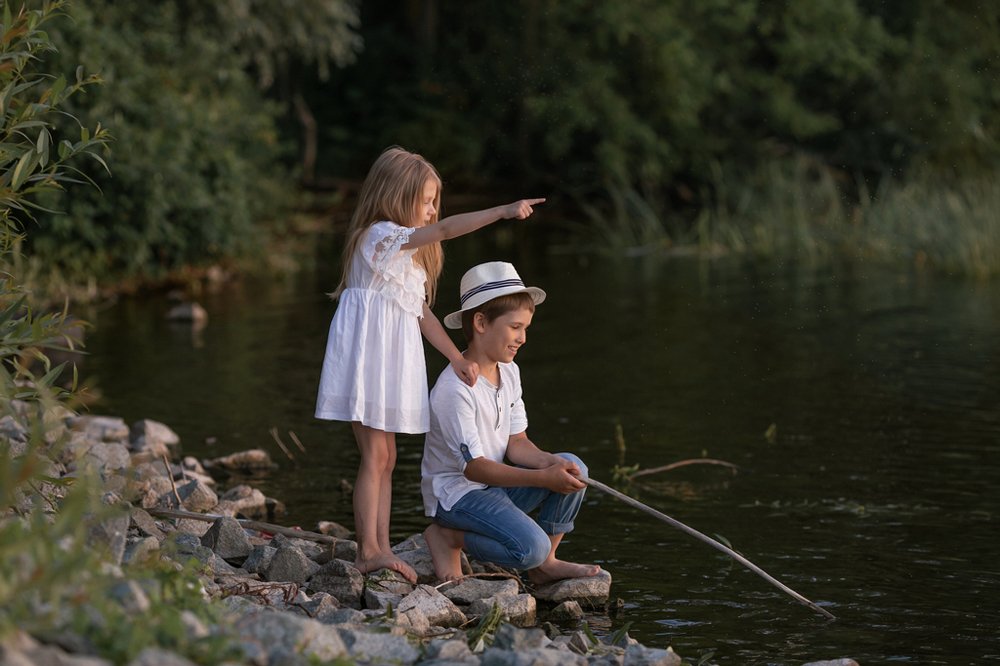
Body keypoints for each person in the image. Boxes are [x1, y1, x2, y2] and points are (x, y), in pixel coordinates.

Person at [315, 148, 544, 583]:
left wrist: (456, 357)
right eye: (426, 200)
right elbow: (446, 229)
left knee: (388, 455)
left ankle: (379, 546)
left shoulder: (403, 257)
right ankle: (369, 550)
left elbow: (421, 314)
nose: (433, 210)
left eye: (435, 200)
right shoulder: (379, 237)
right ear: (397, 196)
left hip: (388, 358)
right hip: (368, 360)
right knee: (375, 454)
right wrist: (501, 211)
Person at [420, 261, 601, 583]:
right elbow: (474, 468)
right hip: (458, 495)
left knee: (575, 467)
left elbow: (517, 442)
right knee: (528, 548)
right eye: (515, 327)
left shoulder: (509, 371)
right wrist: (544, 479)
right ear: (480, 323)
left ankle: (546, 563)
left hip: (494, 487)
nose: (523, 338)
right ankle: (449, 538)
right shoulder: (453, 390)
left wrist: (552, 464)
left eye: (526, 328)